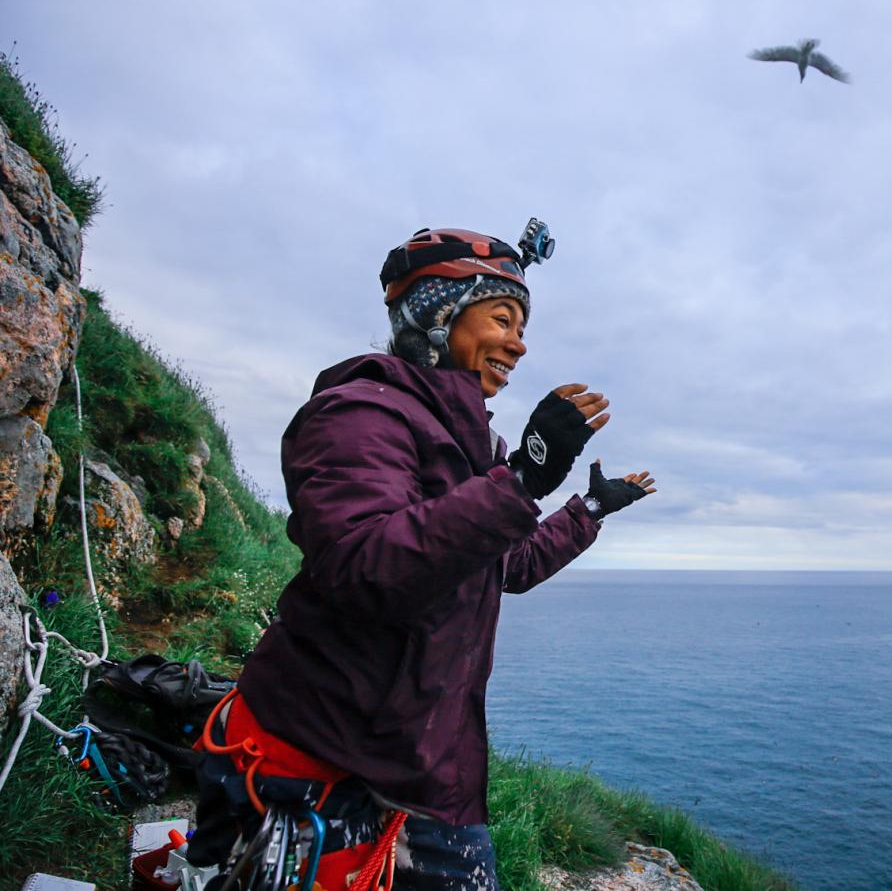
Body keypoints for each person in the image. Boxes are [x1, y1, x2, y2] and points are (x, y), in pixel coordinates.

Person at [189, 226, 655, 890]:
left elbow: (508, 565)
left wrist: (587, 509)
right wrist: (521, 481)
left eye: (523, 326)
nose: (519, 345)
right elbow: (361, 565)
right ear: (438, 315)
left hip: (419, 761)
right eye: (503, 318)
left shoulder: (472, 444)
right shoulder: (358, 413)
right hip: (329, 755)